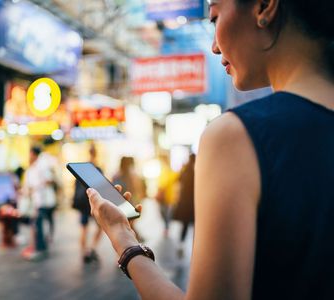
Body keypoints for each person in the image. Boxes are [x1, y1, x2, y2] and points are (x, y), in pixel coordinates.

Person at [86, 0, 334, 299]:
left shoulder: (237, 136)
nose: (215, 46)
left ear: (265, 7)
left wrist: (124, 240)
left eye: (215, 17)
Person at [22, 145, 58, 260]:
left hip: (43, 201)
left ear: (33, 154)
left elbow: (49, 180)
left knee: (39, 224)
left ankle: (41, 248)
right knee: (37, 224)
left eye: (30, 153)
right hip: (37, 201)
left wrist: (36, 187)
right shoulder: (32, 168)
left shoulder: (42, 165)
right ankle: (40, 246)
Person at [72, 144, 103, 263]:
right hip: (92, 202)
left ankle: (84, 252)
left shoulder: (82, 168)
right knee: (100, 226)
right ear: (96, 153)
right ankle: (92, 248)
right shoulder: (97, 169)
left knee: (84, 228)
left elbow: (76, 185)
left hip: (82, 202)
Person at [113, 156, 146, 241]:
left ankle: (134, 239)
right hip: (130, 202)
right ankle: (135, 239)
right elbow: (136, 189)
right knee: (129, 224)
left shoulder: (116, 174)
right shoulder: (132, 174)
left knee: (127, 224)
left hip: (120, 202)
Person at [173, 153, 196, 257]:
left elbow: (178, 182)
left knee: (185, 225)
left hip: (184, 202)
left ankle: (181, 245)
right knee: (195, 226)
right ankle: (196, 247)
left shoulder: (185, 170)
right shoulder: (195, 172)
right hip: (192, 203)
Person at [156, 154, 179, 237]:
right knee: (165, 213)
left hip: (165, 196)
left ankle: (166, 228)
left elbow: (163, 184)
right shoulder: (169, 170)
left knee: (165, 213)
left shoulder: (166, 170)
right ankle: (166, 227)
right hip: (168, 196)